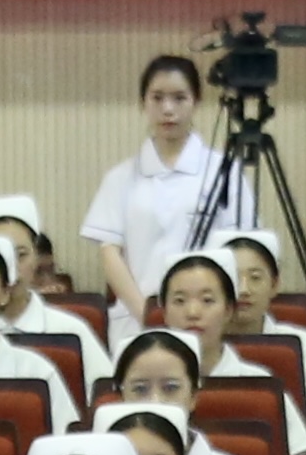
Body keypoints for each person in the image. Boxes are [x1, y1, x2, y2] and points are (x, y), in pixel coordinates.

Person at [84, 53, 228, 310]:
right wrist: (145, 314)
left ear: (196, 101)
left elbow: (238, 250)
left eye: (179, 98)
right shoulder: (120, 177)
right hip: (136, 317)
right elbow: (110, 253)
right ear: (143, 103)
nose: (168, 109)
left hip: (207, 317)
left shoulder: (224, 171)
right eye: (157, 98)